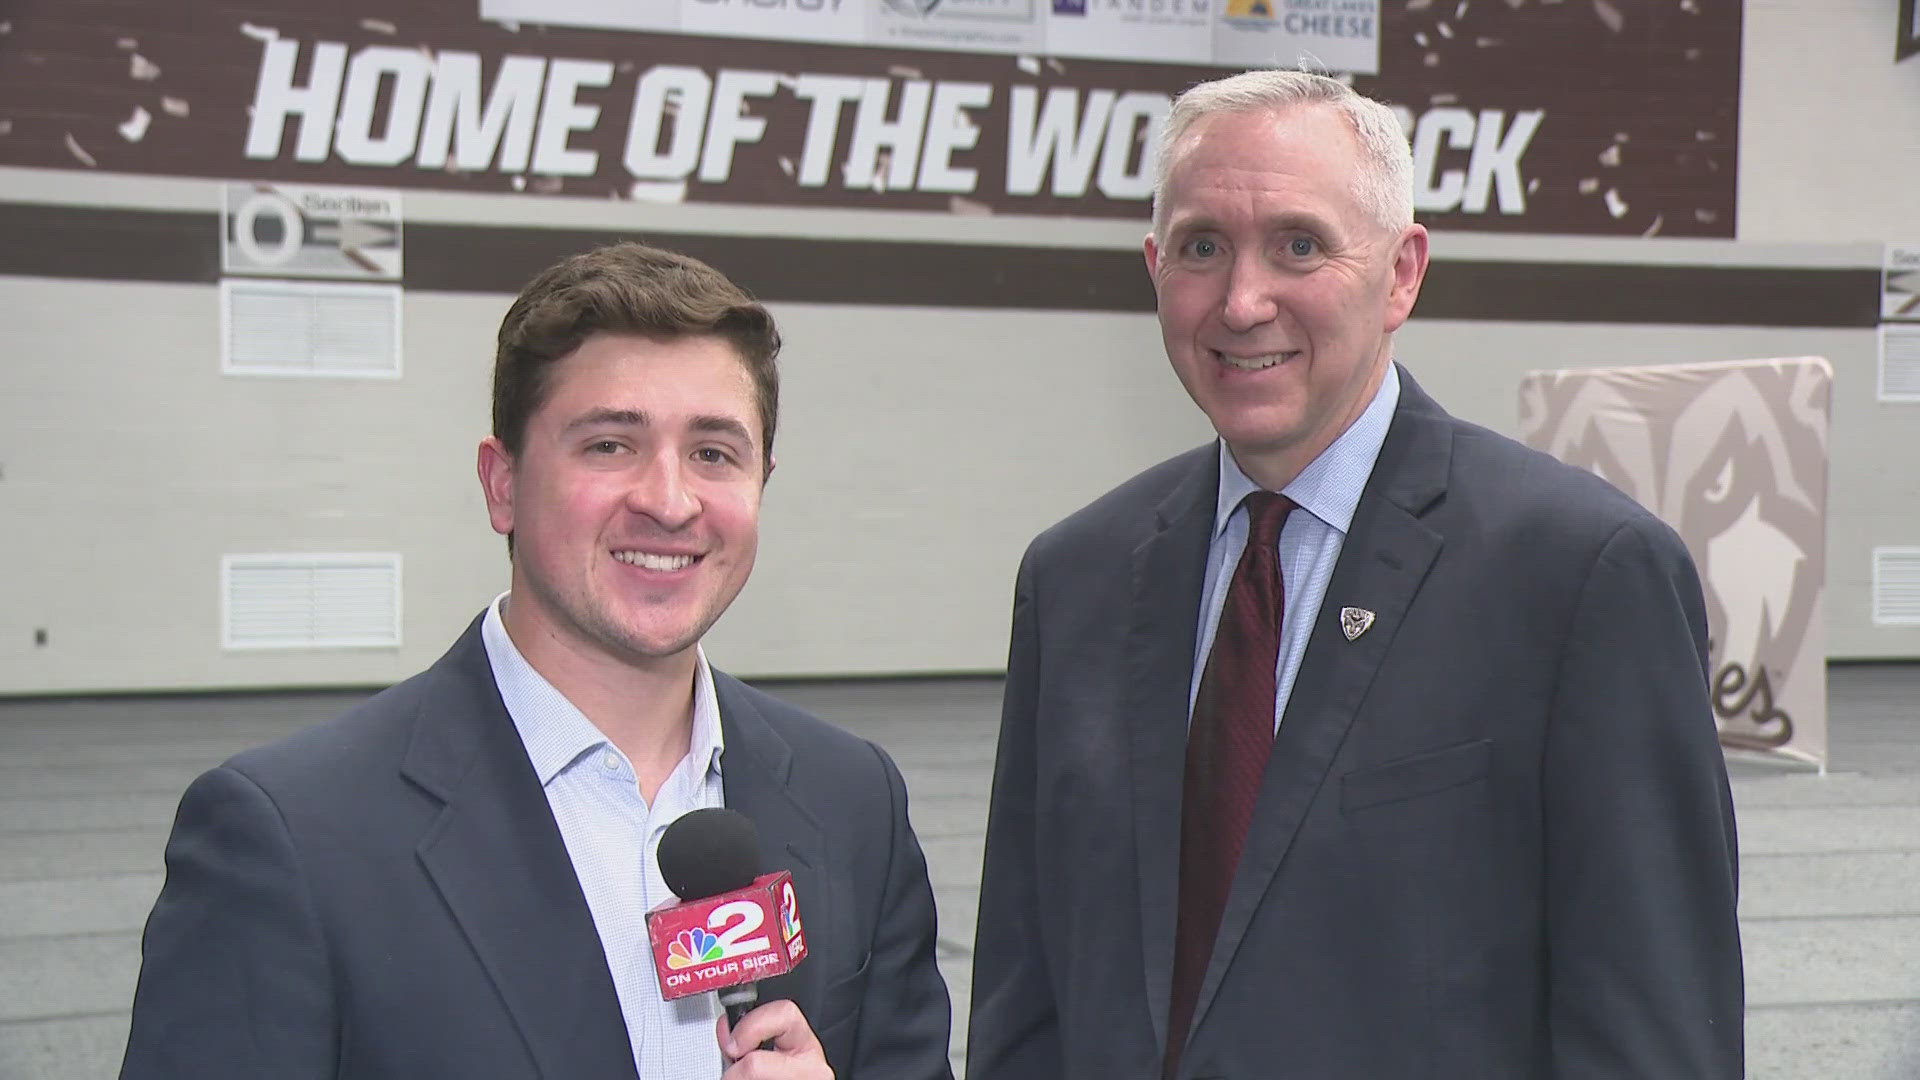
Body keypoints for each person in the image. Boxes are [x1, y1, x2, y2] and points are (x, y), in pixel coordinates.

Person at [967, 70, 1743, 1079]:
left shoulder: (1580, 577)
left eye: (1300, 245)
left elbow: (1655, 1032)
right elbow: (1026, 1001)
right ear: (1156, 268)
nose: (1243, 302)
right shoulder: (1076, 577)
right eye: (1203, 248)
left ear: (1402, 273)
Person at [121, 242, 954, 1080]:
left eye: (714, 453)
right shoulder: (293, 838)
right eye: (609, 446)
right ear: (502, 484)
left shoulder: (853, 802)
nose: (669, 501)